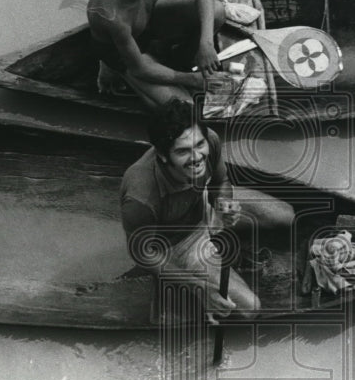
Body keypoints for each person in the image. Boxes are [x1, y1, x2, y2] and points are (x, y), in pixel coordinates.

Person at [120, 99, 294, 320]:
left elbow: (221, 181)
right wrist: (198, 287)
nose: (196, 157)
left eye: (198, 145)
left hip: (205, 207)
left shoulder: (209, 140)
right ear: (162, 155)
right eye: (183, 152)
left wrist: (224, 203)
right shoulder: (140, 196)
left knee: (287, 215)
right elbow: (142, 253)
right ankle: (186, 293)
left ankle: (229, 251)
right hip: (178, 242)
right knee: (250, 308)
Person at [88, 0, 229, 109]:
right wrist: (193, 80)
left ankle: (180, 61)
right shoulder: (111, 16)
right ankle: (112, 69)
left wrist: (205, 44)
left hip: (148, 20)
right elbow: (140, 68)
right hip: (127, 56)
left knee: (217, 11)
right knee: (184, 108)